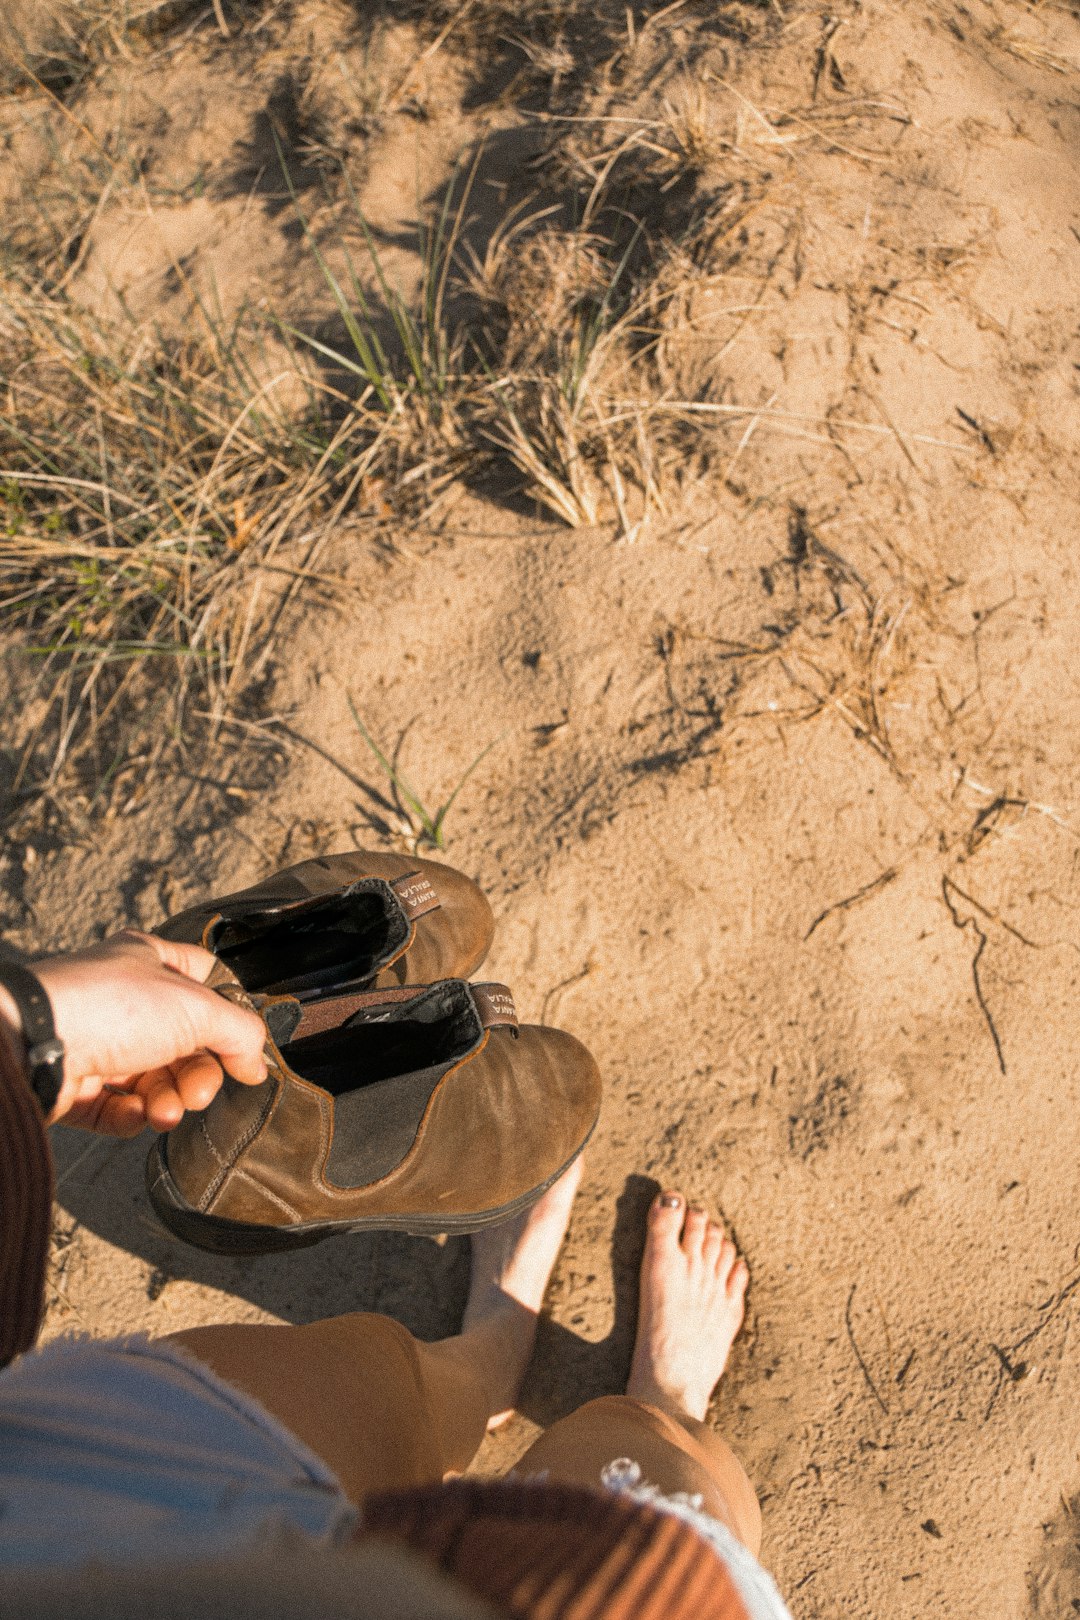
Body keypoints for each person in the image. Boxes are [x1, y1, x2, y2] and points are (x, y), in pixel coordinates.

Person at [0, 931, 791, 1620]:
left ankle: (492, 1350)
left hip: (67, 1507)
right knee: (640, 1474)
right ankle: (670, 1400)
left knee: (383, 1378)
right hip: (104, 1534)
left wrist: (28, 1025)